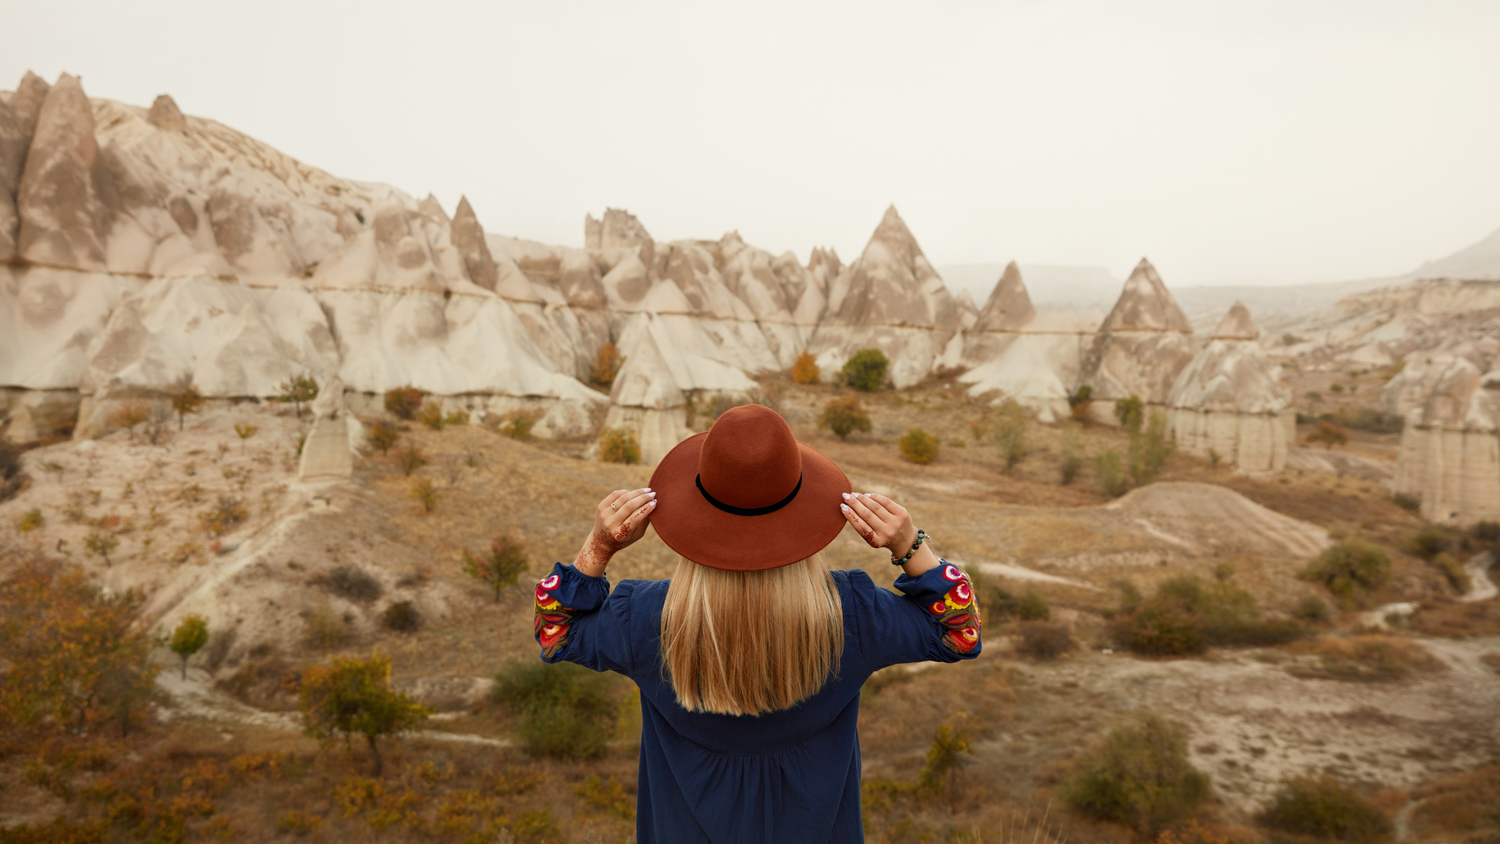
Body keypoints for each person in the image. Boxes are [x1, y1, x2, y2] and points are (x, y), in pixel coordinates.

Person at [533, 405, 982, 843]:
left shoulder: (645, 619)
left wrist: (598, 547)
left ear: (692, 513)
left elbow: (556, 633)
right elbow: (960, 634)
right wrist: (910, 546)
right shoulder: (851, 615)